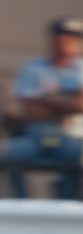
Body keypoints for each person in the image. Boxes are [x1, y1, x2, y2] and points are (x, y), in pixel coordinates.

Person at [5, 17, 83, 200]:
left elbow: (80, 105)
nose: (65, 42)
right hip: (37, 135)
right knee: (12, 155)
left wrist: (46, 100)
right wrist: (68, 102)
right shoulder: (34, 68)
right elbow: (31, 112)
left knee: (76, 158)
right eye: (61, 37)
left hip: (72, 136)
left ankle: (68, 205)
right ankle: (22, 205)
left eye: (72, 38)